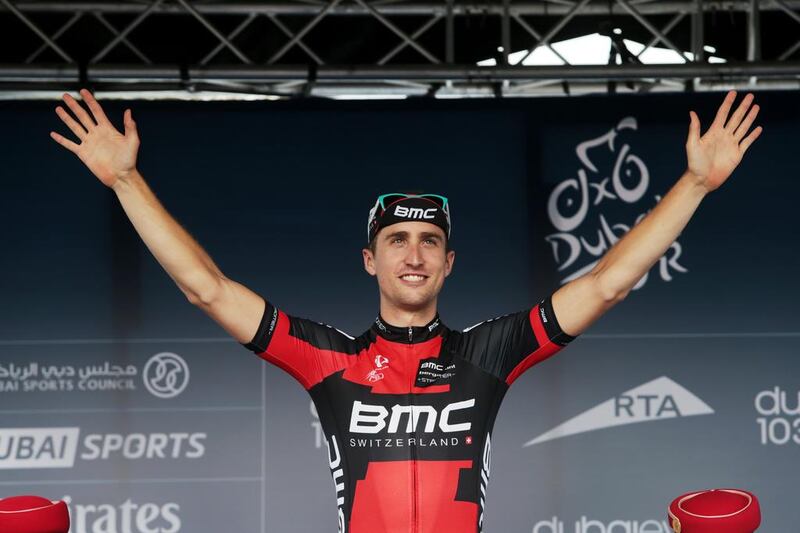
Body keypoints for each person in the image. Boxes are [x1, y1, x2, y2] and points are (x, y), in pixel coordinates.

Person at [50, 89, 762, 533]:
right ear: (371, 259)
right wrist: (125, 179)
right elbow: (205, 287)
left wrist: (695, 183)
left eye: (429, 241)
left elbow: (607, 282)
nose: (413, 255)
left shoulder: (488, 350)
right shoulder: (330, 357)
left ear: (449, 263)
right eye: (397, 240)